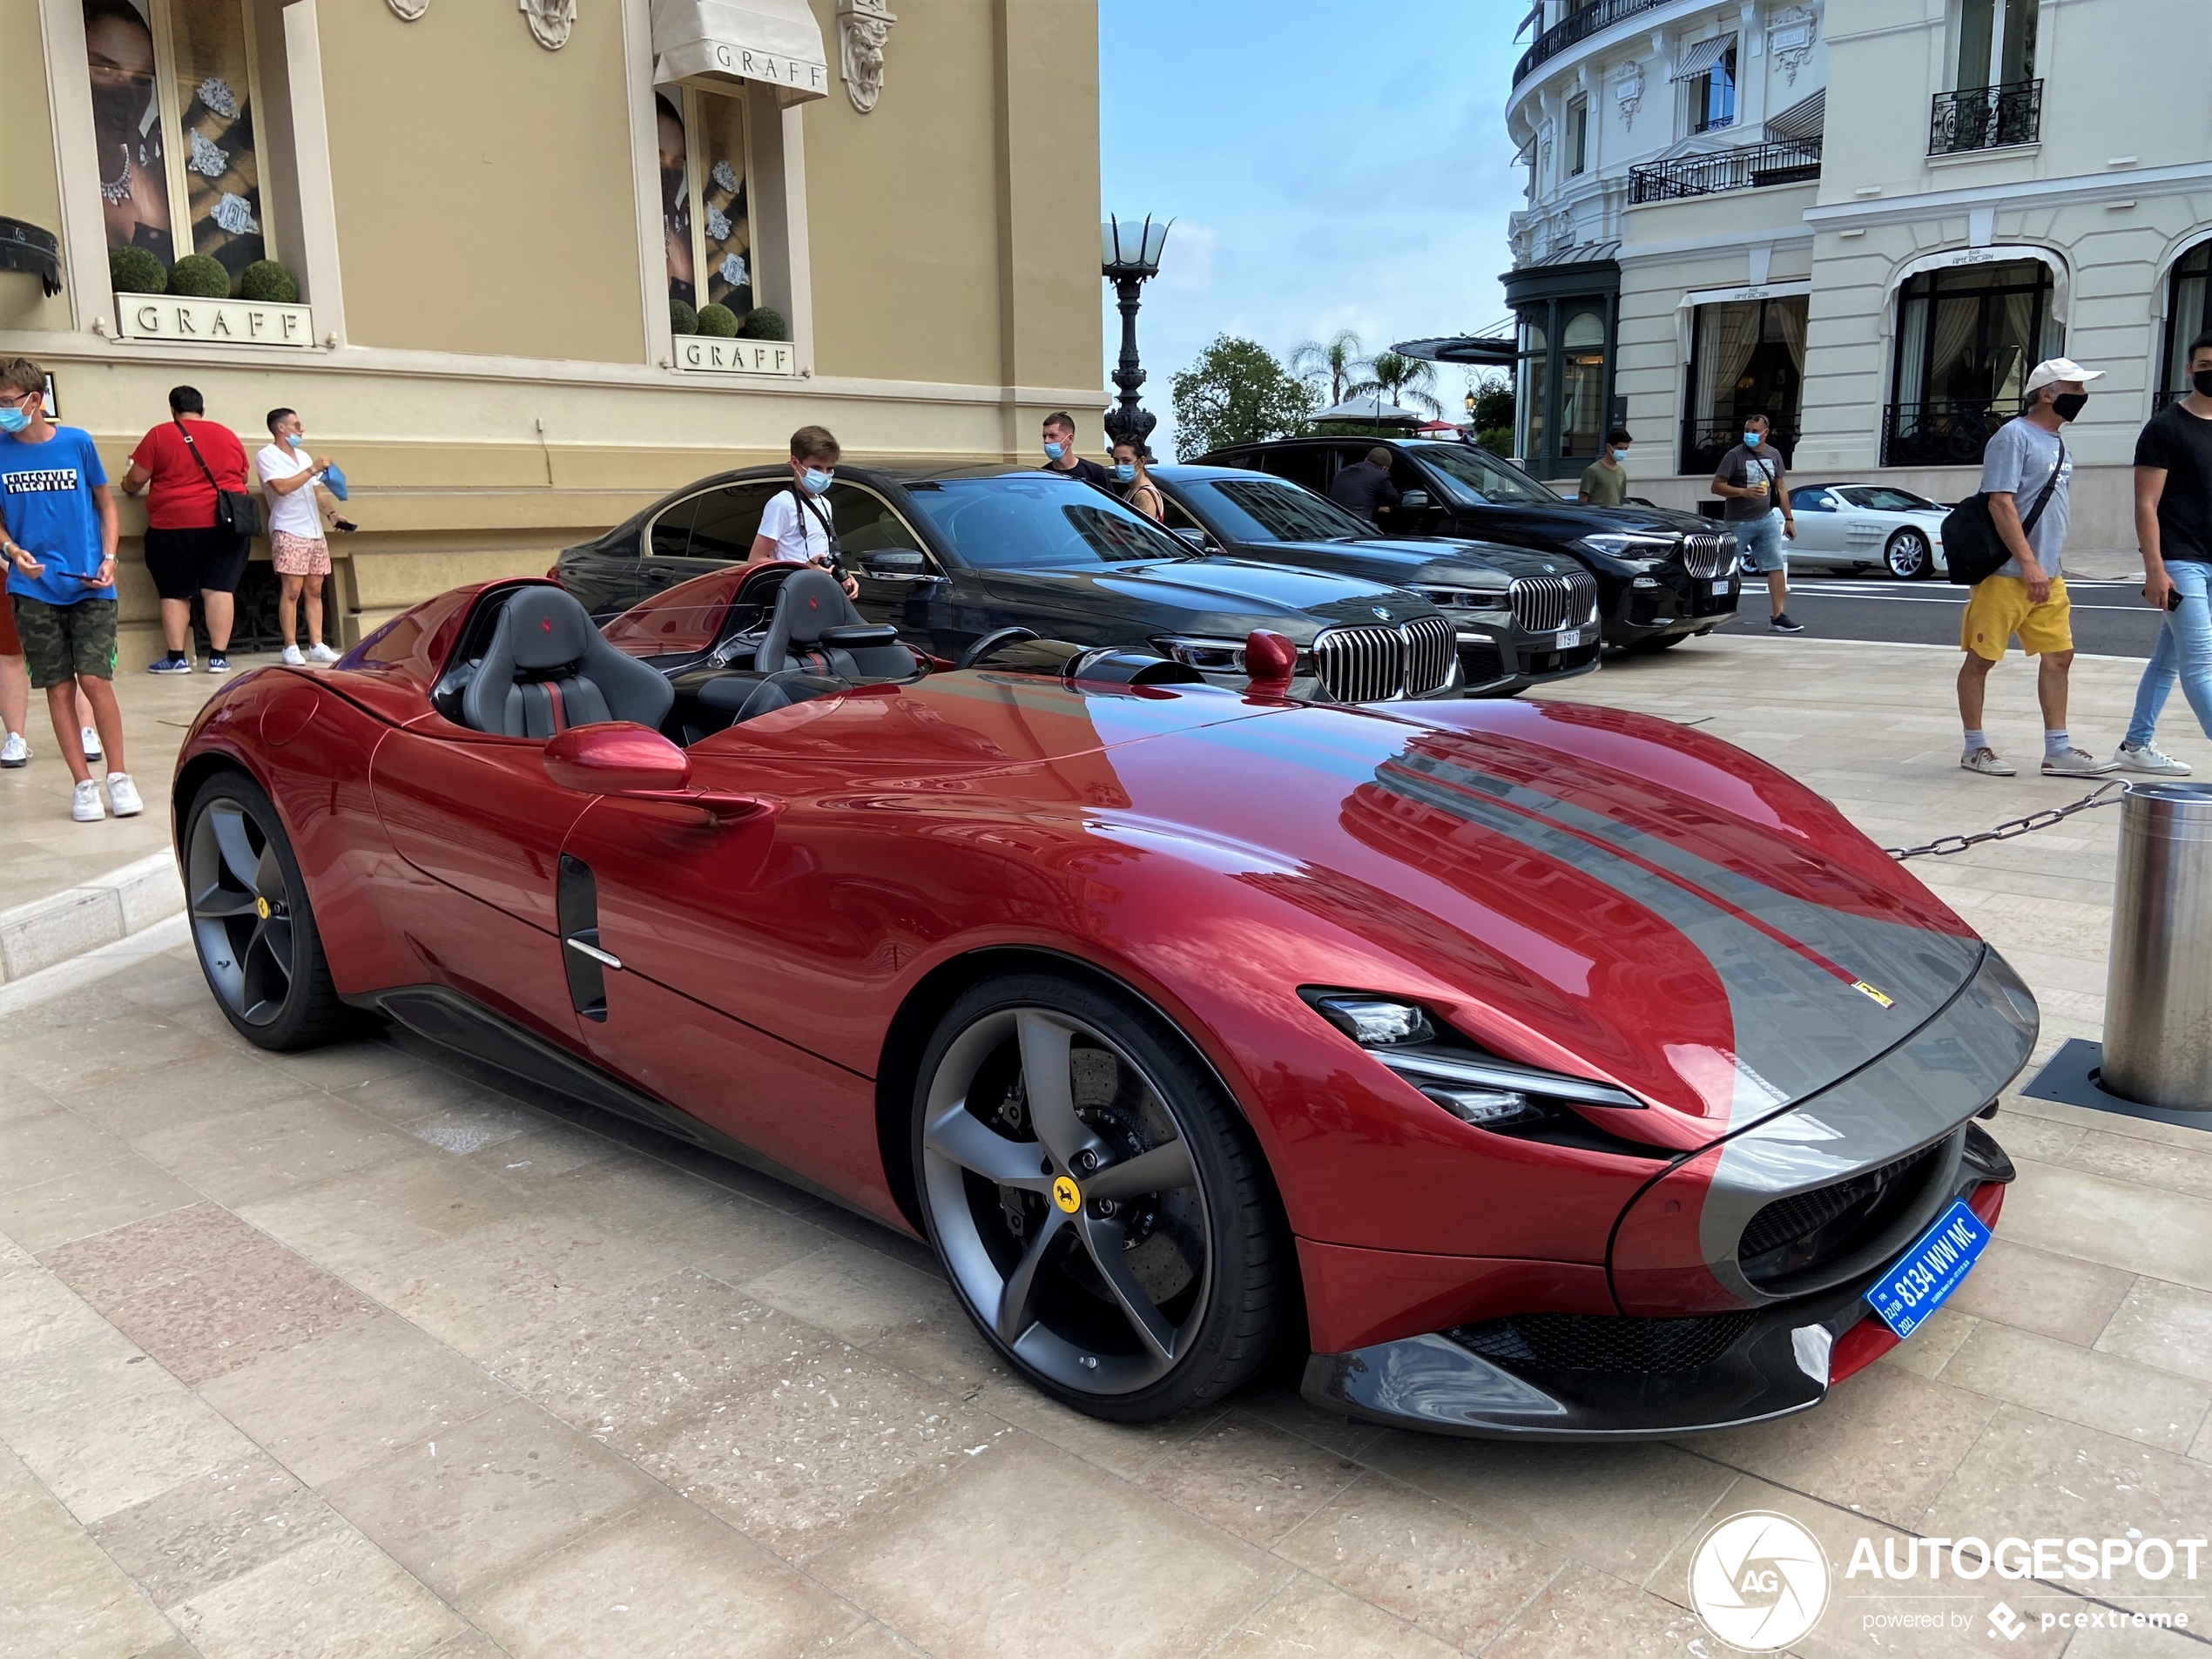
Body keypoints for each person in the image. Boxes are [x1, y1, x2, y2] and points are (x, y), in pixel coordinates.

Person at [1957, 356, 2114, 779]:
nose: (2083, 396)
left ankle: (2058, 750)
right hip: (2007, 574)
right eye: (2075, 388)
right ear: (2047, 393)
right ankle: (1975, 746)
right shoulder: (2013, 437)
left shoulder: (2059, 444)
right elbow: (2000, 501)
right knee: (1981, 658)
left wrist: (2046, 567)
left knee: (2060, 655)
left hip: (2048, 573)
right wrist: (2027, 564)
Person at [0, 357, 139, 822]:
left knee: (95, 680)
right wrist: (11, 550)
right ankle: (82, 784)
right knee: (57, 688)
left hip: (90, 584)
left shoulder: (77, 443)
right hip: (32, 588)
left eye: (6, 403)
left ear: (34, 401)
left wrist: (110, 557)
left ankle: (118, 776)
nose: (2, 412)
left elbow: (106, 503)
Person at [2117, 333, 2212, 776]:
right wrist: (2154, 568)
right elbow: (2145, 504)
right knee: (2201, 665)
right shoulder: (2165, 428)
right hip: (2180, 560)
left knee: (2169, 658)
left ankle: (2135, 744)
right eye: (2205, 364)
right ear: (2190, 369)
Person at [123, 385, 249, 673]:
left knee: (175, 591)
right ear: (203, 411)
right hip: (227, 523)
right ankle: (218, 657)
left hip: (173, 525)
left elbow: (135, 480)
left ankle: (177, 657)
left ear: (172, 410)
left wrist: (125, 484)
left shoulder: (160, 434)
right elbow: (242, 473)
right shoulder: (227, 434)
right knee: (219, 588)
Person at [257, 408, 342, 665]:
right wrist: (312, 469)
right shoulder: (266, 455)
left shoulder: (303, 456)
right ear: (280, 428)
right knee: (292, 590)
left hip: (314, 531)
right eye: (296, 425)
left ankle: (317, 644)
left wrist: (332, 514)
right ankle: (291, 646)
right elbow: (281, 488)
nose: (301, 430)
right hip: (289, 529)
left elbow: (317, 493)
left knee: (314, 590)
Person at [1711, 413, 1801, 633]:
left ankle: (1778, 616)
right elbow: (1716, 486)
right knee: (1726, 569)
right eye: (1747, 430)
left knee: (1776, 566)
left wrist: (1789, 519)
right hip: (1738, 522)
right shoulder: (1734, 456)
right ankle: (1712, 615)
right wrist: (1743, 491)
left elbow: (1780, 488)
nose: (1749, 435)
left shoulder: (1773, 455)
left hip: (1766, 518)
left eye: (1754, 431)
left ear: (1765, 433)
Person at [747, 425, 860, 599]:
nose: (824, 474)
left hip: (819, 596)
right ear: (795, 463)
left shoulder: (825, 504)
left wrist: (843, 576)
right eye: (816, 467)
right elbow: (756, 559)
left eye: (830, 469)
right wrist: (804, 569)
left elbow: (822, 555)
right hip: (793, 597)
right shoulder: (781, 504)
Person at [1328, 446, 1401, 529]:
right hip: (1358, 525)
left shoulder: (1342, 472)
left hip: (1333, 525)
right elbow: (1395, 499)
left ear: (1366, 459)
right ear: (1384, 468)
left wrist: (1377, 508)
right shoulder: (1381, 475)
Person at [1039, 413, 1114, 487]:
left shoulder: (1095, 472)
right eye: (1044, 436)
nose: (1046, 441)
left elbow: (1109, 499)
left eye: (1052, 436)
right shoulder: (1042, 475)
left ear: (1070, 439)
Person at [1110, 439, 1164, 523]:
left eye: (1126, 461)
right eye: (1117, 461)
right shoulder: (1130, 492)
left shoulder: (1143, 495)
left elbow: (1143, 534)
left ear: (1142, 461)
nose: (1120, 465)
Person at [1578, 428, 1634, 508]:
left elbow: (1621, 499)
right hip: (1597, 517)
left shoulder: (1622, 473)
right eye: (1620, 448)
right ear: (1608, 447)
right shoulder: (1593, 470)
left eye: (1626, 449)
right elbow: (1583, 499)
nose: (1623, 452)